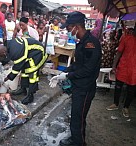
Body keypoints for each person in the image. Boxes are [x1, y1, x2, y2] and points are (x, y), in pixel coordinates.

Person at [49, 11, 102, 146]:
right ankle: (75, 139)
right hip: (79, 86)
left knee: (78, 119)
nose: (68, 31)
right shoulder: (83, 42)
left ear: (76, 27)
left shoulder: (91, 43)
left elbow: (87, 69)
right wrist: (64, 72)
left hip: (85, 88)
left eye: (68, 28)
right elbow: (78, 64)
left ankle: (79, 143)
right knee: (76, 117)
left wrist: (68, 75)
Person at [0, 37, 48, 105]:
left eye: (1, 55)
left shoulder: (16, 51)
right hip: (30, 53)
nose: (2, 56)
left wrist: (7, 78)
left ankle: (30, 95)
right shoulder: (8, 45)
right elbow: (10, 57)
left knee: (32, 73)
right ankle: (23, 89)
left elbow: (16, 68)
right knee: (24, 70)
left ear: (4, 52)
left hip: (38, 54)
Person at [106, 29, 136, 118]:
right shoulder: (126, 37)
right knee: (118, 86)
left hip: (134, 71)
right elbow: (119, 52)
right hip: (123, 66)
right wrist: (114, 66)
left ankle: (126, 107)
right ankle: (115, 103)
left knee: (131, 90)